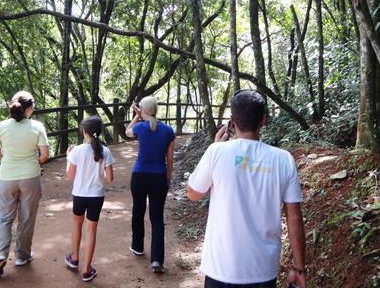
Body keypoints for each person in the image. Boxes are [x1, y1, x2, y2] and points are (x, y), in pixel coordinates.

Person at [186, 89, 306, 288]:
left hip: (220, 269)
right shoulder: (283, 159)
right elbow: (294, 219)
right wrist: (299, 268)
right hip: (262, 271)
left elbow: (193, 193)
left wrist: (214, 147)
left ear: (232, 120)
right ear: (263, 120)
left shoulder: (216, 152)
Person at [0, 91, 49, 276]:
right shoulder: (37, 126)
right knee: (26, 217)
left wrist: (8, 161)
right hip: (30, 177)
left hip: (6, 177)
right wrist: (32, 163)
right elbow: (45, 155)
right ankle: (22, 256)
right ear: (29, 109)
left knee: (3, 217)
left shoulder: (3, 126)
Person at [125, 96, 175, 273]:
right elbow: (170, 160)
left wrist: (137, 116)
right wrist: (168, 179)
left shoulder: (140, 127)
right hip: (158, 177)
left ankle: (137, 246)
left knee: (138, 211)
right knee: (157, 218)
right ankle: (157, 260)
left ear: (143, 109)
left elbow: (127, 131)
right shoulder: (168, 131)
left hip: (139, 176)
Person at [64, 116, 115, 282]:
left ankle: (74, 258)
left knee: (76, 225)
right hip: (96, 196)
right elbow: (110, 178)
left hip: (79, 195)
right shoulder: (105, 151)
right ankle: (87, 270)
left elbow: (70, 176)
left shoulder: (76, 151)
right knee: (91, 230)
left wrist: (68, 157)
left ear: (84, 132)